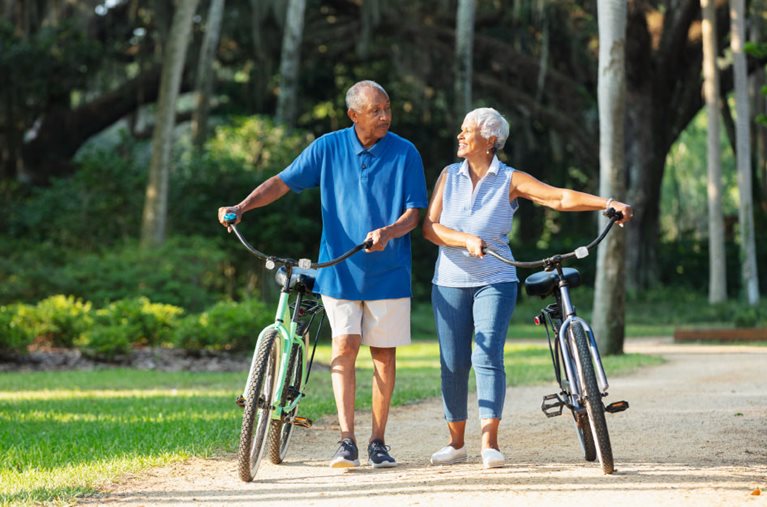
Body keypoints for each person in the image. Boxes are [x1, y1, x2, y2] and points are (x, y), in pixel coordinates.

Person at [218, 80, 428, 469]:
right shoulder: (328, 147)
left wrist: (389, 232)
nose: (385, 116)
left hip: (389, 271)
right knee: (344, 347)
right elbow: (282, 181)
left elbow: (414, 213)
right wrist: (243, 206)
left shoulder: (406, 152)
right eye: (376, 110)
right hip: (338, 269)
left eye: (387, 108)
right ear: (354, 115)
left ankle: (378, 441)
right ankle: (346, 440)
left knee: (383, 355)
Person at [422, 107, 632, 469]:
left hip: (495, 279)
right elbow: (430, 228)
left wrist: (607, 203)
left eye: (466, 130)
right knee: (453, 363)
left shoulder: (509, 179)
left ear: (490, 141)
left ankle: (490, 443)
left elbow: (557, 197)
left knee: (486, 357)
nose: (459, 136)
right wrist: (463, 239)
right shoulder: (448, 175)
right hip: (449, 281)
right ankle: (456, 443)